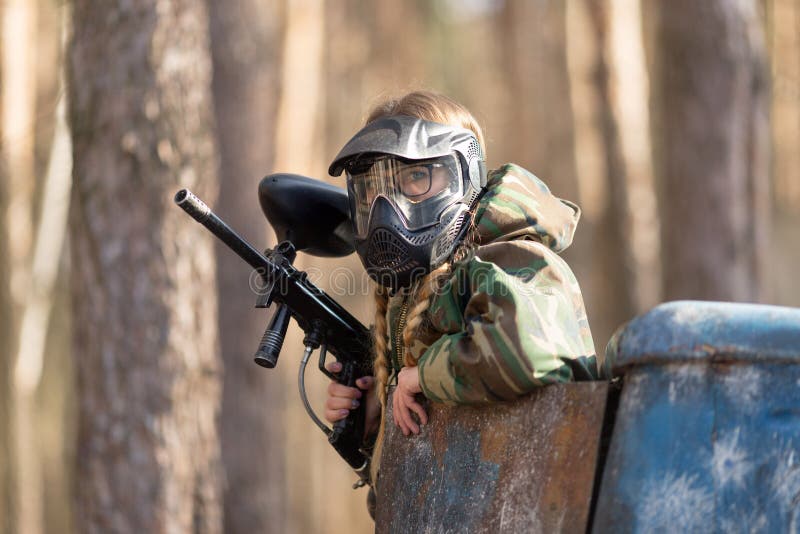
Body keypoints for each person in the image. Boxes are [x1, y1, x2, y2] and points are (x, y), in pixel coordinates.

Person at [323, 91, 602, 490]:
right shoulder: (411, 297)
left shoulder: (508, 258)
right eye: (372, 190)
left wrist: (420, 376)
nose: (388, 207)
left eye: (416, 177)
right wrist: (374, 422)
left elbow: (526, 349)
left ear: (462, 174)